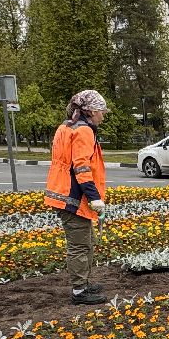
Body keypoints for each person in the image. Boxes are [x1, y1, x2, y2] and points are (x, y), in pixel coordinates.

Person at [44, 90, 108, 305]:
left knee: (86, 242)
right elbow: (81, 167)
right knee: (80, 245)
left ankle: (84, 283)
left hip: (65, 193)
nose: (103, 116)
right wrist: (94, 197)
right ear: (92, 111)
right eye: (102, 111)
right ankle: (80, 291)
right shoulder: (84, 131)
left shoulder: (67, 126)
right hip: (73, 197)